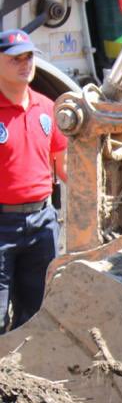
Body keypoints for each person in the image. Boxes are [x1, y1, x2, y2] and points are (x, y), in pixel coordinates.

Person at [0, 29, 67, 331]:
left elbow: (65, 167)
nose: (25, 64)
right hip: (2, 225)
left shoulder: (47, 108)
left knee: (38, 315)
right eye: (16, 59)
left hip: (42, 224)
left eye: (29, 57)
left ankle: (26, 378)